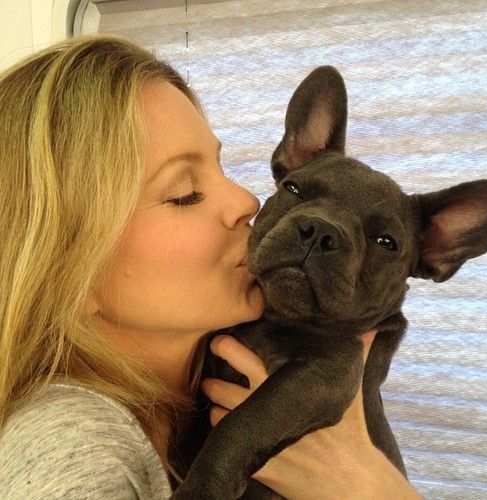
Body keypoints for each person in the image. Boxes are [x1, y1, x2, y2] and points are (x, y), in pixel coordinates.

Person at [0, 34, 421, 498]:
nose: (248, 199)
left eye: (220, 167)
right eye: (184, 193)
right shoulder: (70, 454)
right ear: (69, 278)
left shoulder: (219, 378)